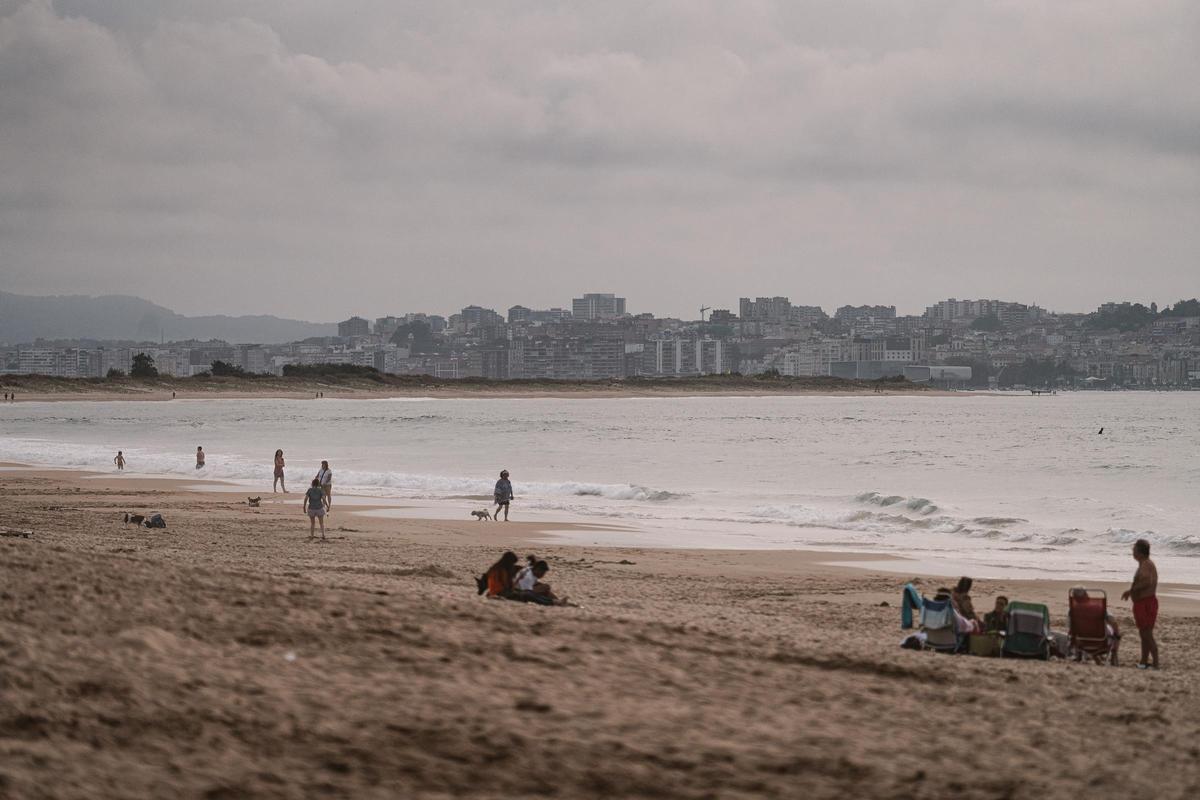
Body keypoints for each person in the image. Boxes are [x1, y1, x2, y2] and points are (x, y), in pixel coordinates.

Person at [1121, 539, 1159, 669]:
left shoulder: (1146, 565)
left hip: (1145, 603)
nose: (1132, 552)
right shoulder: (1145, 563)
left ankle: (1156, 662)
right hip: (1144, 602)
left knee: (1146, 634)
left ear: (1140, 552)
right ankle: (1143, 661)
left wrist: (1130, 591)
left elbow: (1146, 582)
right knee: (1144, 633)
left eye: (1134, 550)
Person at [1070, 588, 1121, 666]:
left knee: (1086, 630)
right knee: (1114, 631)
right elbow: (1114, 623)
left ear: (1074, 599)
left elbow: (1071, 629)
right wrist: (1117, 636)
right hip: (1101, 643)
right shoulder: (1099, 608)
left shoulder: (1072, 611)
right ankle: (1114, 655)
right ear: (1087, 596)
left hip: (1081, 643)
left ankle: (1091, 658)